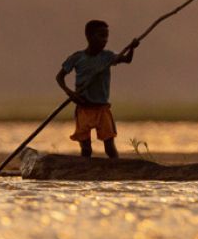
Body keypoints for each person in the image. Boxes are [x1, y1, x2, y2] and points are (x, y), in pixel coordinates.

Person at [55, 19, 139, 158]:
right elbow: (59, 77)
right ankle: (84, 174)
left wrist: (132, 47)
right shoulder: (77, 58)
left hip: (102, 109)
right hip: (84, 108)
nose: (104, 40)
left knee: (110, 148)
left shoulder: (107, 56)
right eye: (101, 35)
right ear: (89, 36)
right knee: (86, 149)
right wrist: (69, 93)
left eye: (106, 36)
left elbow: (127, 60)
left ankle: (116, 171)